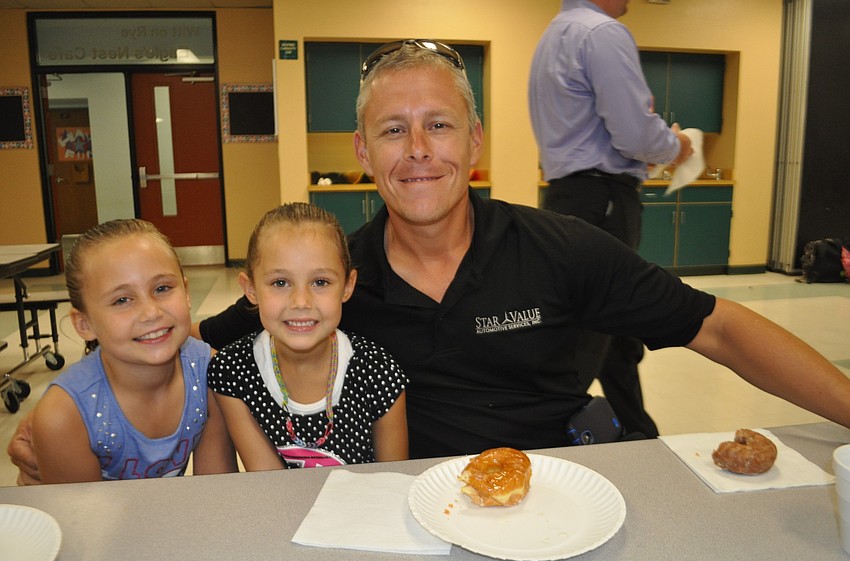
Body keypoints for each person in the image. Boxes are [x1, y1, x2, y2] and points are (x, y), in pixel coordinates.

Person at [10, 40, 850, 480]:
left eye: (440, 125)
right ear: (361, 151)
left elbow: (725, 330)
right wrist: (72, 413)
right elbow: (184, 345)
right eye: (392, 129)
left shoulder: (562, 251)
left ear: (475, 141)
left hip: (556, 483)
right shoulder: (329, 280)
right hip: (398, 505)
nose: (418, 151)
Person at [528, 0, 694, 438]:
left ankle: (639, 433)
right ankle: (544, 438)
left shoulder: (553, 36)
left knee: (616, 326)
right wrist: (675, 146)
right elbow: (635, 132)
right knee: (589, 328)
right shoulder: (601, 34)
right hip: (603, 197)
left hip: (569, 194)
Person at [27, 219, 236, 483]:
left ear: (186, 293)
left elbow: (215, 491)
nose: (151, 312)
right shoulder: (64, 415)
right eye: (122, 300)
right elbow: (81, 520)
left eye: (162, 288)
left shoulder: (209, 371)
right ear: (85, 324)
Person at [207, 203, 408, 469]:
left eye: (320, 282)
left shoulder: (378, 371)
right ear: (251, 289)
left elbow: (392, 481)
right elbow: (268, 483)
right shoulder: (232, 371)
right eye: (280, 283)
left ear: (348, 286)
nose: (301, 301)